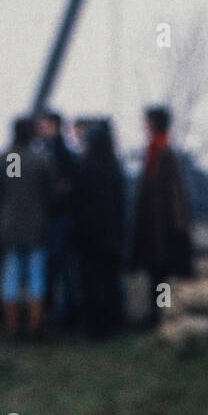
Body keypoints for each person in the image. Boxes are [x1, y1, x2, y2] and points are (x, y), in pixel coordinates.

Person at [131, 105, 193, 326]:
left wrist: (176, 228)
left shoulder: (164, 152)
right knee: (155, 273)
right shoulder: (155, 151)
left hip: (163, 228)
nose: (144, 125)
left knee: (162, 273)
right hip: (155, 225)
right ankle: (155, 314)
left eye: (147, 121)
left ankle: (161, 316)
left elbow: (173, 194)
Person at [0, 116, 53, 338]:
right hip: (36, 228)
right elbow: (50, 195)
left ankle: (12, 325)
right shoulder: (41, 160)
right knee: (36, 277)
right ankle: (34, 325)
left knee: (10, 277)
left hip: (9, 227)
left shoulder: (6, 159)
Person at [74, 119, 125, 338]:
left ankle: (95, 326)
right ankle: (112, 322)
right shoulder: (115, 168)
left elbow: (79, 201)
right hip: (111, 234)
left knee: (92, 282)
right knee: (110, 280)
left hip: (90, 235)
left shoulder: (86, 167)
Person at [36, 111, 81, 327]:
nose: (40, 128)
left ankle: (64, 311)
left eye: (43, 124)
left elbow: (66, 187)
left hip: (58, 218)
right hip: (52, 217)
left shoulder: (60, 153)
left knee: (60, 266)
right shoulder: (45, 151)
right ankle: (55, 310)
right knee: (54, 266)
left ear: (53, 126)